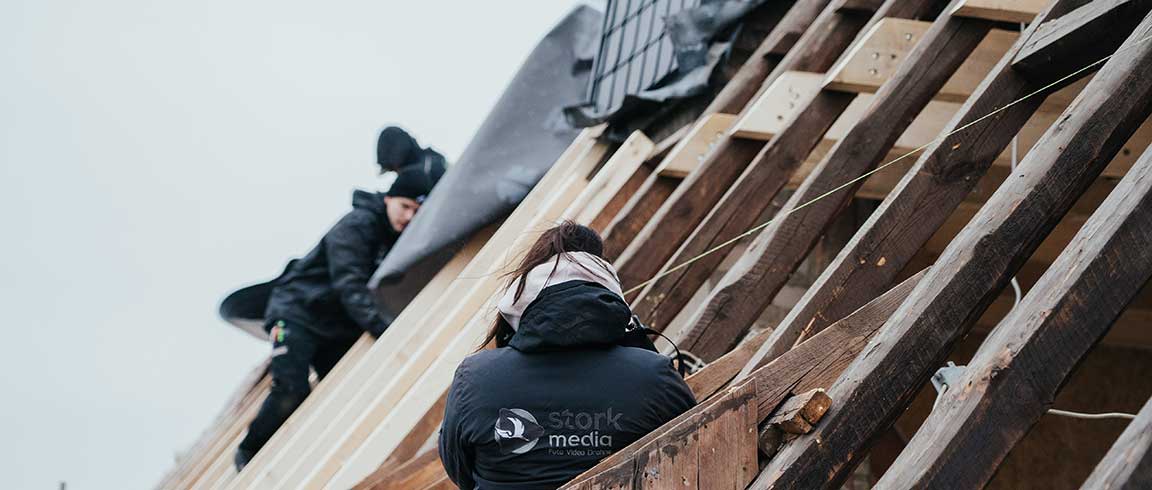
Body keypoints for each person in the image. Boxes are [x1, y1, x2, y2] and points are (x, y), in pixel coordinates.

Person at [234, 127, 445, 471]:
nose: (408, 218)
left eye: (415, 213)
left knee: (347, 389)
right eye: (404, 206)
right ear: (389, 198)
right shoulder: (357, 225)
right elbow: (350, 285)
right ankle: (247, 455)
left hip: (334, 328)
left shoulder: (393, 237)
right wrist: (387, 329)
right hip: (297, 314)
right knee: (291, 388)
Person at [439, 221, 697, 489]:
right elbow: (696, 452)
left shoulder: (475, 377)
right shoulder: (653, 375)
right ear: (609, 298)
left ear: (523, 303)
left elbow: (460, 469)